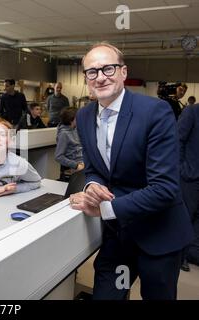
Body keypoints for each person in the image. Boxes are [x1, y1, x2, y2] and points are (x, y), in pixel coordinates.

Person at [70, 42, 193, 300]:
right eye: (92, 71)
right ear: (86, 79)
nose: (100, 76)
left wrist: (104, 209)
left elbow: (165, 189)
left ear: (124, 72)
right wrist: (91, 186)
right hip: (119, 236)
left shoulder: (154, 112)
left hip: (158, 234)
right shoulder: (83, 117)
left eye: (108, 69)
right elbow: (93, 169)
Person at [178, 103, 199, 271]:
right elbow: (178, 140)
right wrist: (181, 168)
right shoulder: (192, 111)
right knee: (186, 217)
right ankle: (180, 256)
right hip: (190, 177)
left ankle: (193, 253)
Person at [54, 107, 83, 181]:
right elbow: (58, 157)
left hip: (84, 161)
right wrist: (76, 166)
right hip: (78, 165)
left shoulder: (75, 129)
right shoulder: (64, 134)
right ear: (71, 120)